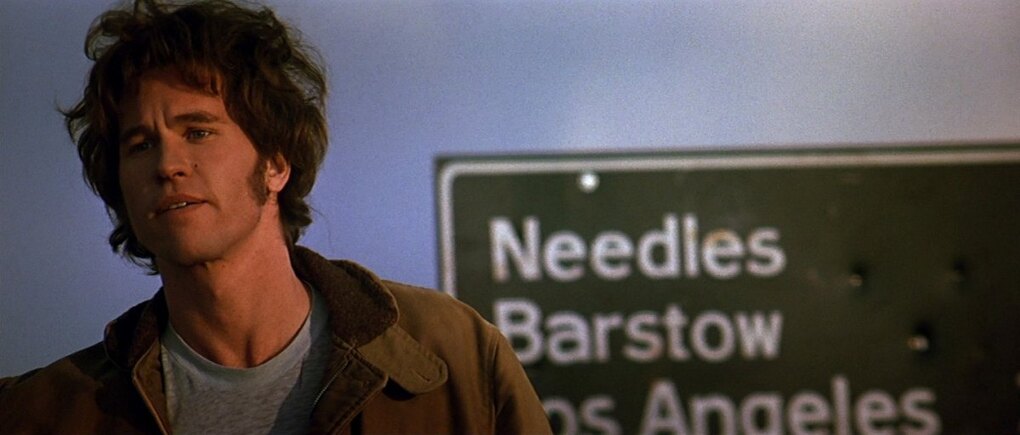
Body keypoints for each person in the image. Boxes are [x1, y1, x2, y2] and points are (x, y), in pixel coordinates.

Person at [0, 0, 551, 433]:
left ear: (276, 163)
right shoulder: (42, 414)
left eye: (198, 132)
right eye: (140, 145)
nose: (168, 165)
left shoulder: (454, 353)